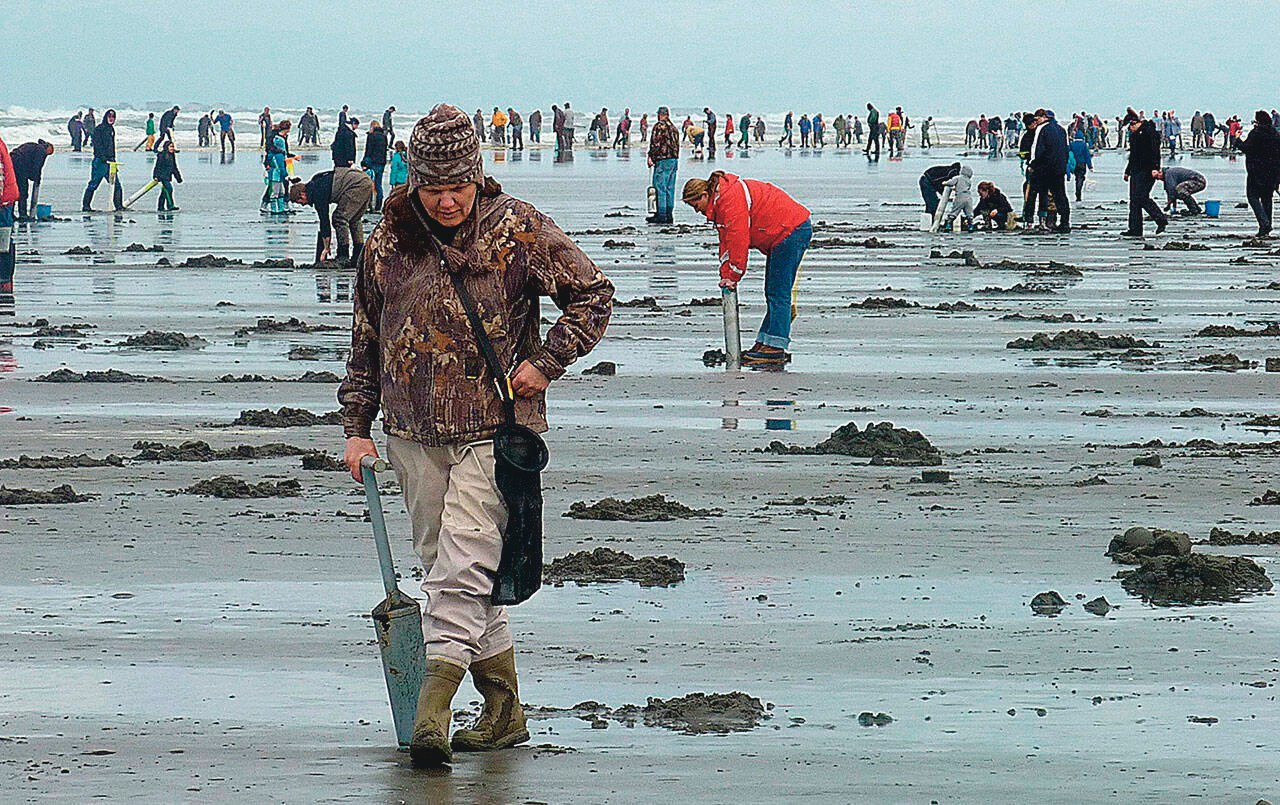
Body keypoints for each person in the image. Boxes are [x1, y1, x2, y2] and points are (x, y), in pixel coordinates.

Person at [339, 105, 612, 768]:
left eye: (458, 185)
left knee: (461, 569)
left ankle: (431, 712)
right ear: (414, 179)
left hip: (495, 432)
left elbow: (594, 294)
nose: (448, 199)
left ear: (477, 173)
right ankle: (503, 710)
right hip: (410, 434)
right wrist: (356, 427)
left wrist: (545, 363)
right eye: (434, 187)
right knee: (452, 569)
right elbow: (366, 338)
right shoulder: (387, 241)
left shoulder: (516, 227)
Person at [682, 171, 812, 365]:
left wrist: (734, 275)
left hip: (791, 229)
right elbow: (726, 243)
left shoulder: (729, 200)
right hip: (783, 232)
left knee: (778, 293)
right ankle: (765, 342)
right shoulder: (720, 204)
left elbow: (738, 239)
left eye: (695, 205)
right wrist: (725, 274)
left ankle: (775, 347)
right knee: (773, 291)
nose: (696, 211)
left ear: (704, 195)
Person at [290, 166, 374, 266]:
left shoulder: (317, 193)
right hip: (365, 181)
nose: (303, 205)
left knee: (339, 218)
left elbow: (324, 221)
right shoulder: (316, 183)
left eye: (300, 202)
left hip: (356, 185)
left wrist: (326, 248)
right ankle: (358, 255)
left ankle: (343, 255)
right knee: (354, 219)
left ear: (303, 194)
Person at [1232, 111, 1280, 237]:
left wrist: (1237, 139)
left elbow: (1246, 148)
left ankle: (1264, 223)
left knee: (1252, 196)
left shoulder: (1256, 133)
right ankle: (1266, 226)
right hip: (1273, 172)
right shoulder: (1275, 134)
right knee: (1267, 199)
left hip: (1256, 171)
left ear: (1258, 121)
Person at [1122, 109, 1168, 237]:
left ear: (1135, 123)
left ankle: (1160, 219)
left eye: (1130, 127)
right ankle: (1135, 230)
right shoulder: (1134, 136)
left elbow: (1155, 152)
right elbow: (1133, 155)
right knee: (1134, 200)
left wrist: (1155, 168)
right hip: (1135, 170)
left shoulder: (1149, 132)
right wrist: (1127, 171)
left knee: (1141, 197)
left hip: (1148, 170)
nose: (1129, 130)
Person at [1030, 109, 1070, 233]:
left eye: (1037, 119)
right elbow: (1065, 149)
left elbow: (1037, 150)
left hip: (1045, 168)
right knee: (1060, 195)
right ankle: (1064, 222)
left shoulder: (1042, 129)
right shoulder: (1061, 129)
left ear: (1044, 117)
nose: (1036, 122)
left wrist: (1033, 164)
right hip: (1059, 168)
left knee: (1041, 195)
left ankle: (1043, 221)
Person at [82, 109, 123, 212]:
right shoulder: (99, 129)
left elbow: (112, 146)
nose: (111, 119)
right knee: (93, 184)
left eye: (113, 117)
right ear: (106, 117)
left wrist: (113, 159)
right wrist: (102, 156)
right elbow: (97, 144)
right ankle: (86, 206)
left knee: (117, 185)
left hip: (111, 162)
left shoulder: (111, 129)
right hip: (100, 162)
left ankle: (119, 207)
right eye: (109, 117)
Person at [647, 106, 680, 225]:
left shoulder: (659, 127)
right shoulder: (674, 128)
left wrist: (651, 157)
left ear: (661, 115)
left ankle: (661, 215)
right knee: (670, 188)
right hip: (674, 160)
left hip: (662, 160)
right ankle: (669, 214)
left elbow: (655, 144)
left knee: (660, 188)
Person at [10, 140, 53, 221]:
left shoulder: (35, 147)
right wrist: (36, 178)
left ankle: (10, 214)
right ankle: (23, 214)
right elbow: (37, 166)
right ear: (48, 148)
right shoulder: (41, 150)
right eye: (49, 153)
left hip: (12, 162)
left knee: (14, 190)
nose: (47, 155)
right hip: (19, 165)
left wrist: (33, 176)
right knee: (23, 191)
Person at [262, 120, 292, 215]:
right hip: (274, 162)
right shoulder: (275, 138)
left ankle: (285, 204)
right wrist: (268, 163)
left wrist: (290, 155)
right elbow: (270, 150)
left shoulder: (283, 137)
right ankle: (266, 204)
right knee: (273, 185)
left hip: (282, 161)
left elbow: (285, 150)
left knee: (285, 183)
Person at [0, 133, 17, 295]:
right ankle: (6, 280)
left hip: (3, 202)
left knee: (3, 242)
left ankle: (4, 280)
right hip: (6, 200)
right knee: (5, 240)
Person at [361, 120, 389, 211]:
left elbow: (368, 150)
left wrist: (364, 163)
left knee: (369, 184)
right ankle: (378, 205)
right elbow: (385, 150)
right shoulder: (384, 136)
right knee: (378, 184)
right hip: (381, 163)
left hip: (372, 163)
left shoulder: (371, 136)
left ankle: (369, 205)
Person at [153, 140, 183, 212]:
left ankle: (160, 207)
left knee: (164, 192)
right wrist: (155, 176)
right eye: (171, 147)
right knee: (169, 189)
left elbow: (174, 168)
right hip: (162, 176)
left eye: (173, 147)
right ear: (166, 147)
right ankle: (170, 206)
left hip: (168, 176)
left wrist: (178, 178)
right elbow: (157, 166)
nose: (172, 148)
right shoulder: (161, 155)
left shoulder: (172, 156)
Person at [1068, 130, 1093, 202]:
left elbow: (1068, 154)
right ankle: (1079, 191)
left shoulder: (1072, 144)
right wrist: (1090, 166)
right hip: (1082, 164)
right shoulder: (1084, 145)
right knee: (1081, 178)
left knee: (1077, 178)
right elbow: (1087, 156)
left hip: (1074, 164)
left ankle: (1077, 191)